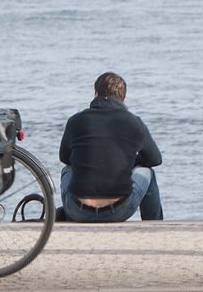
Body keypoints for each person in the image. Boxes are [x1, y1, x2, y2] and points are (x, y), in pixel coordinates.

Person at [59, 72, 163, 222]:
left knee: (67, 170)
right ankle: (154, 225)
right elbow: (155, 159)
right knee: (147, 171)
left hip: (78, 211)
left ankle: (70, 217)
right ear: (124, 98)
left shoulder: (76, 120)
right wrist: (128, 160)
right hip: (118, 211)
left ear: (95, 94)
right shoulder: (134, 122)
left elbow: (64, 158)